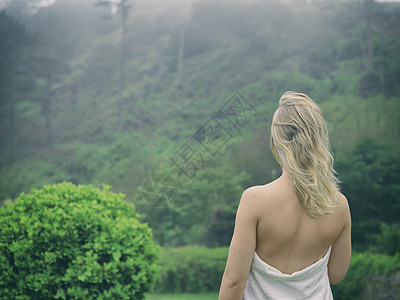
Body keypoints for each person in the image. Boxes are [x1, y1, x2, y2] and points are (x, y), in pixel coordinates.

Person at [218, 91, 351, 300]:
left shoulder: (255, 200)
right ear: (318, 138)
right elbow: (336, 274)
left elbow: (234, 280)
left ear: (277, 140)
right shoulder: (339, 205)